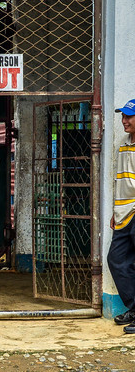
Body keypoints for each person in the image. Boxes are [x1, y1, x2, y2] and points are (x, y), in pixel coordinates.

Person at [109, 99, 135, 333]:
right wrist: (115, 210)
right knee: (116, 259)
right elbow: (120, 181)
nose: (124, 120)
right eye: (123, 116)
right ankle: (134, 308)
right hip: (124, 213)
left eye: (129, 116)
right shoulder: (124, 143)